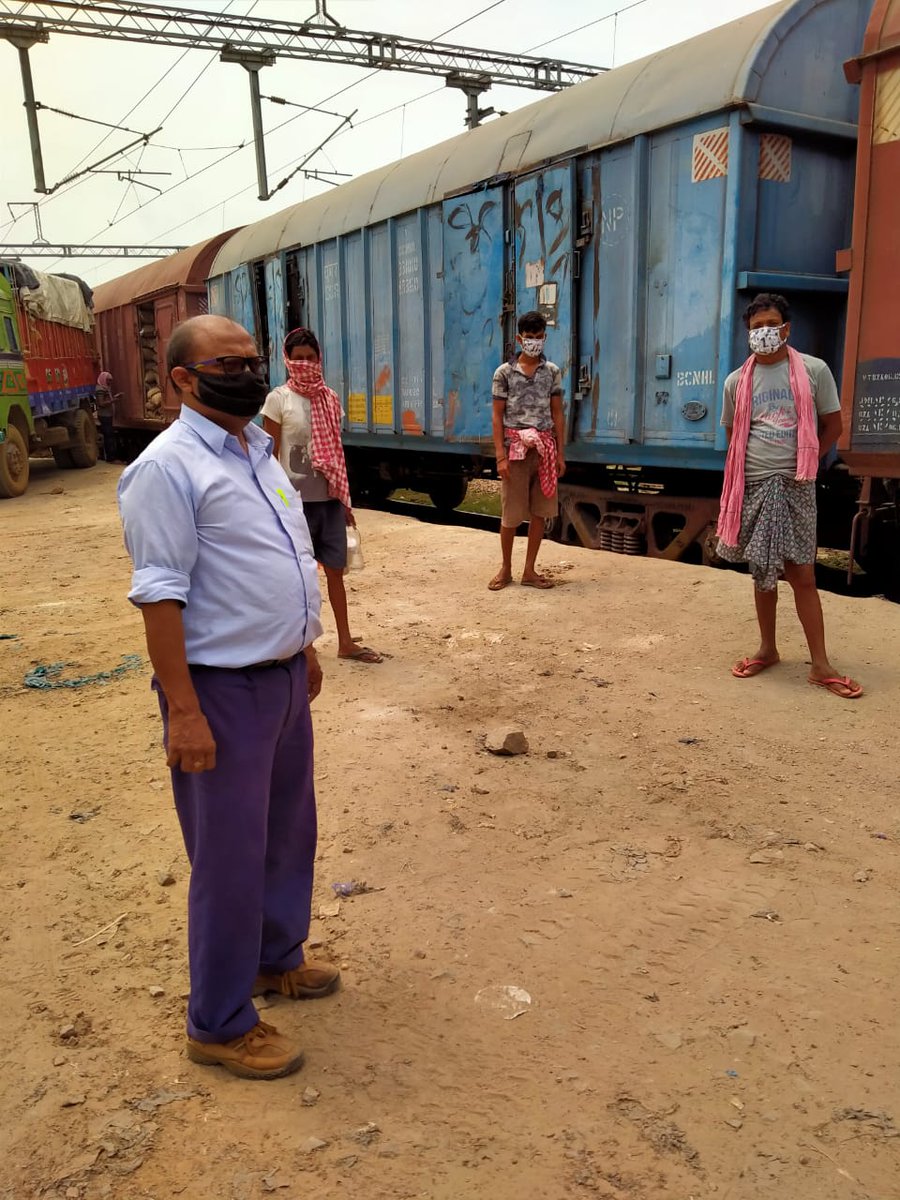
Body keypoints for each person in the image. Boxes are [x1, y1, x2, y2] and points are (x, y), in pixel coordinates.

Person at [117, 314, 340, 1082]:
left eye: (252, 359)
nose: (246, 373)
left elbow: (283, 554)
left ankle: (277, 958)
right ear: (182, 379)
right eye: (227, 363)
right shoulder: (166, 468)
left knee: (287, 833)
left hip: (279, 678)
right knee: (229, 857)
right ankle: (217, 1022)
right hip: (220, 690)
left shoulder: (256, 449)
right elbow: (160, 596)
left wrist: (301, 645)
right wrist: (183, 709)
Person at [716, 293, 862, 699]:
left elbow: (832, 425)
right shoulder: (735, 382)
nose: (764, 332)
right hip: (756, 485)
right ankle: (768, 648)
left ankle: (820, 664)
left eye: (771, 324)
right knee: (762, 573)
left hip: (797, 484)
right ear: (748, 333)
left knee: (803, 575)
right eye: (756, 326)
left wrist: (808, 462)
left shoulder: (813, 371)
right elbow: (734, 439)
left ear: (786, 329)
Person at [262, 327, 382, 663]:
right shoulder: (277, 400)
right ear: (288, 361)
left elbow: (337, 454)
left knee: (335, 573)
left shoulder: (329, 398)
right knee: (298, 579)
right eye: (297, 359)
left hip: (327, 501)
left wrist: (344, 500)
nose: (304, 364)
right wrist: (273, 504)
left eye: (310, 358)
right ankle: (304, 646)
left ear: (319, 360)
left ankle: (345, 642)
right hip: (293, 505)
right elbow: (269, 457)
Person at [489, 310, 566, 591]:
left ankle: (529, 570)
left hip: (544, 450)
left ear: (545, 337)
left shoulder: (553, 373)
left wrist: (559, 454)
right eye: (529, 337)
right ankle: (506, 568)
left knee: (539, 513)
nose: (534, 342)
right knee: (510, 515)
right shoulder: (504, 373)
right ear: (520, 338)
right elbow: (497, 417)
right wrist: (500, 456)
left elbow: (558, 414)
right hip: (515, 450)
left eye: (539, 337)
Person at [96, 368, 116, 462]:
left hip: (108, 415)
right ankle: (110, 458)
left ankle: (110, 457)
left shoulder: (105, 388)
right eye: (108, 380)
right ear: (104, 379)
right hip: (104, 416)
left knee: (109, 436)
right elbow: (101, 403)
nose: (109, 383)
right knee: (108, 436)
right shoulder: (100, 389)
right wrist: (113, 401)